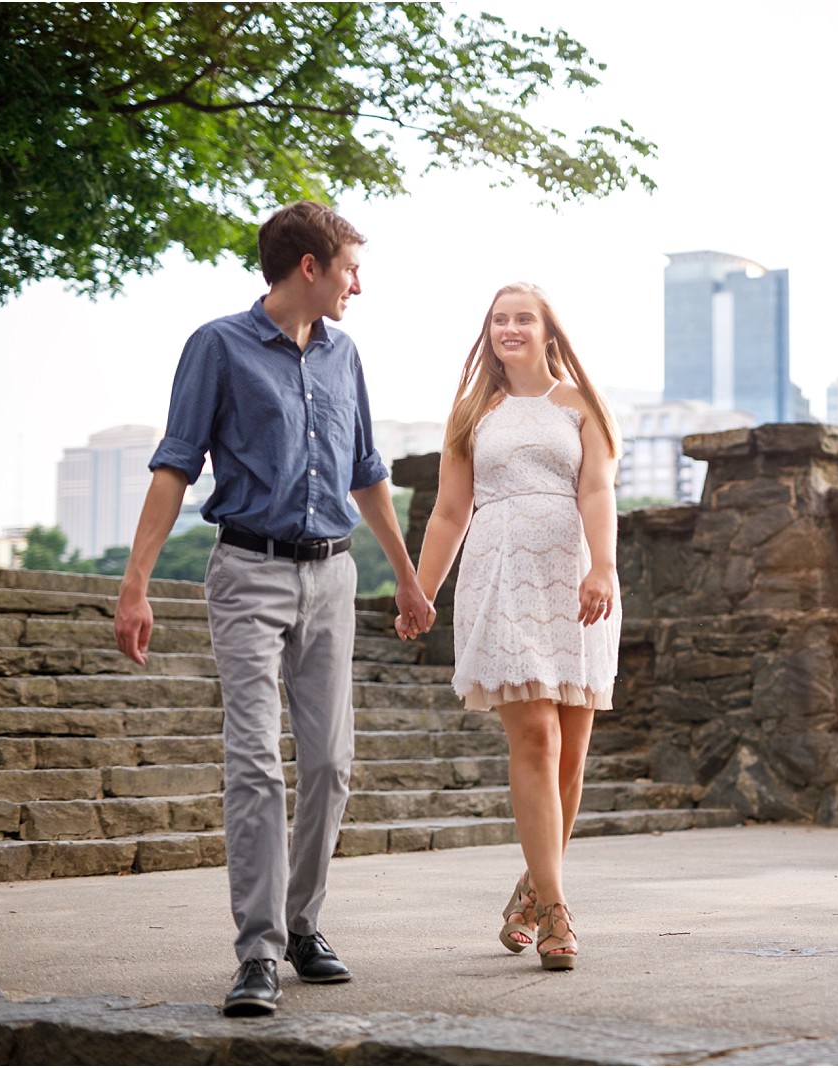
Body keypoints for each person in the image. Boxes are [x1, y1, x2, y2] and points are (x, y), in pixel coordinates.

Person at [113, 201, 434, 1017]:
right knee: (255, 761)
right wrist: (136, 584)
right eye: (351, 268)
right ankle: (256, 950)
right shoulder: (217, 347)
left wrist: (403, 575)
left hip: (333, 577)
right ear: (310, 267)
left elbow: (367, 474)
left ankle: (303, 925)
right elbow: (175, 465)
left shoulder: (344, 354)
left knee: (329, 763)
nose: (358, 284)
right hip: (248, 574)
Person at [407, 282, 621, 971]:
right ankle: (557, 913)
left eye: (522, 317)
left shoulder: (581, 406)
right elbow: (447, 512)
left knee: (570, 755)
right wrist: (421, 589)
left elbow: (596, 491)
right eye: (499, 319)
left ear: (547, 331)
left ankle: (530, 892)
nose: (509, 328)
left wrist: (604, 569)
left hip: (574, 580)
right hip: (500, 580)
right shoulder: (475, 412)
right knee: (534, 734)